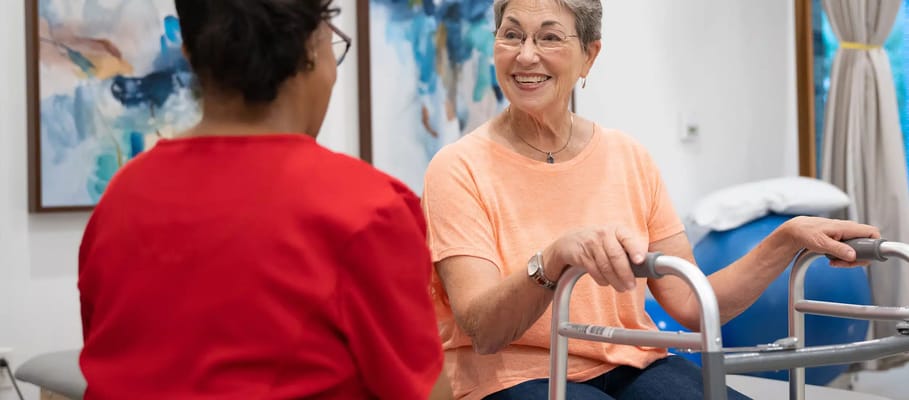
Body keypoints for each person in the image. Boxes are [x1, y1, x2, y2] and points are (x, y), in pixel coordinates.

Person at [421, 0, 881, 399]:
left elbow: (690, 303)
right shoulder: (458, 168)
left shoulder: (628, 156)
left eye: (549, 38)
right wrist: (555, 257)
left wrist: (785, 239)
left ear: (589, 55)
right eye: (512, 35)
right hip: (513, 377)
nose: (526, 55)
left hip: (631, 363)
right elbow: (483, 330)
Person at [78, 1, 448, 399]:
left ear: (189, 54)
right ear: (312, 47)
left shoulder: (120, 201)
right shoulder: (366, 210)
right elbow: (424, 392)